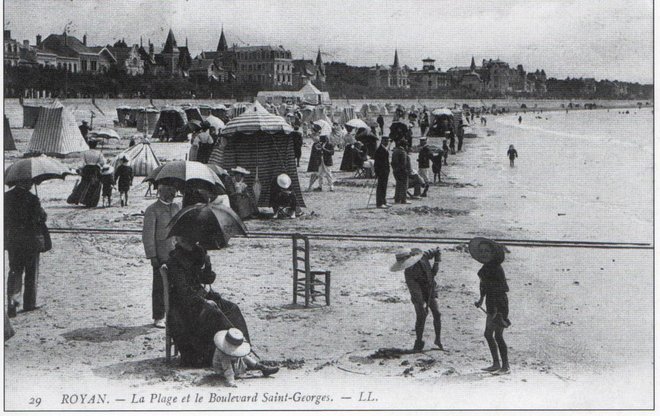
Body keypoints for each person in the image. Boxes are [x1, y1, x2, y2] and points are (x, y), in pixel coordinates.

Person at [167, 235, 272, 368]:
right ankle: (240, 357)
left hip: (200, 299)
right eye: (186, 240)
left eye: (192, 239)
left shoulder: (195, 253)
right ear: (179, 241)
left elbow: (206, 280)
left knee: (232, 308)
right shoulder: (174, 261)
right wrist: (204, 301)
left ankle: (244, 349)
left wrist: (208, 264)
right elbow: (183, 292)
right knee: (215, 314)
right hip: (185, 307)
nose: (191, 243)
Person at [5, 180, 48, 317]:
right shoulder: (32, 198)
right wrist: (41, 211)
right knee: (31, 272)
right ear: (27, 183)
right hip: (30, 241)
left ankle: (12, 301)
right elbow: (41, 218)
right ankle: (29, 303)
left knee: (15, 270)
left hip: (14, 241)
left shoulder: (6, 197)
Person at [142, 184, 181, 328]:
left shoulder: (177, 208)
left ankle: (174, 315)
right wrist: (152, 256)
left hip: (176, 254)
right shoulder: (152, 210)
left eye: (173, 190)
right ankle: (159, 316)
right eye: (168, 189)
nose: (172, 192)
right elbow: (148, 236)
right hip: (161, 255)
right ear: (160, 191)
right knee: (159, 286)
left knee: (176, 285)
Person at [390, 247, 443, 351]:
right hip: (418, 293)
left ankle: (438, 340)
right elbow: (415, 291)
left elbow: (437, 251)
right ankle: (418, 340)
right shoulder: (408, 274)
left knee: (437, 313)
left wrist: (437, 262)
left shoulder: (424, 256)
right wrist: (422, 306)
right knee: (421, 315)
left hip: (430, 288)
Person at [472, 239, 510, 375]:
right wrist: (481, 300)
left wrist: (495, 310)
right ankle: (496, 364)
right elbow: (483, 286)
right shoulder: (484, 269)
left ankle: (504, 366)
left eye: (487, 251)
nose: (484, 254)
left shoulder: (497, 269)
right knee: (491, 335)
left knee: (495, 335)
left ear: (493, 253)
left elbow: (500, 289)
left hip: (499, 303)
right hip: (490, 302)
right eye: (481, 251)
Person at [212, 328, 279, 387]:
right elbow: (227, 368)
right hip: (222, 371)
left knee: (244, 356)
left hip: (233, 363)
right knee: (240, 359)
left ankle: (263, 368)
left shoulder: (231, 348)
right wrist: (231, 382)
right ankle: (261, 368)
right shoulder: (223, 351)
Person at [374, 136, 391, 209]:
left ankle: (384, 201)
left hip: (385, 171)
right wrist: (377, 172)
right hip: (381, 172)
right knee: (380, 187)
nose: (387, 143)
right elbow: (377, 163)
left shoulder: (384, 149)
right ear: (382, 141)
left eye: (388, 141)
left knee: (384, 187)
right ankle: (379, 203)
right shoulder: (380, 150)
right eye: (385, 141)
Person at [391, 139, 409, 204]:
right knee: (404, 185)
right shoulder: (403, 152)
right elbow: (403, 163)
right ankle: (403, 199)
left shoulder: (395, 151)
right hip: (402, 171)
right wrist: (405, 170)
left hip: (396, 170)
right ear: (405, 145)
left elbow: (392, 162)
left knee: (398, 185)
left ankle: (397, 199)